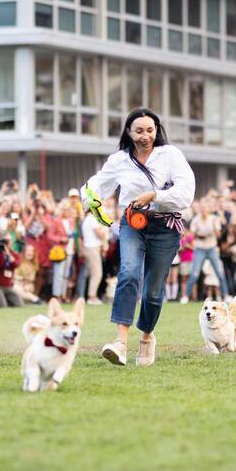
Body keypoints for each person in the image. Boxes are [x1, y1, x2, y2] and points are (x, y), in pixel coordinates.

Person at [81, 107, 194, 368]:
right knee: (129, 273)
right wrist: (89, 199)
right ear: (129, 133)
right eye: (139, 130)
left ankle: (146, 337)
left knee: (153, 291)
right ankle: (120, 343)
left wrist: (155, 196)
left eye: (150, 130)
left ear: (157, 131)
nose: (145, 136)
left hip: (165, 226)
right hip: (132, 223)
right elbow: (98, 184)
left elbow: (186, 193)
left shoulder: (171, 155)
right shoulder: (119, 159)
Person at [182, 199, 228, 304]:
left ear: (209, 210)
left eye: (205, 208)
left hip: (211, 247)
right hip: (200, 248)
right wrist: (198, 233)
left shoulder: (214, 219)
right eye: (202, 208)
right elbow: (192, 236)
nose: (203, 210)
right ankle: (185, 296)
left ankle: (226, 295)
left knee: (219, 272)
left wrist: (214, 229)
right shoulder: (196, 220)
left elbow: (219, 235)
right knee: (194, 273)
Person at [0, 240, 23, 308]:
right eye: (4, 242)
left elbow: (16, 264)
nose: (5, 244)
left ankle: (2, 300)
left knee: (19, 304)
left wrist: (8, 254)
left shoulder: (14, 254)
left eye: (7, 242)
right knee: (2, 306)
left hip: (8, 286)